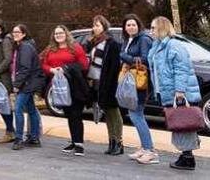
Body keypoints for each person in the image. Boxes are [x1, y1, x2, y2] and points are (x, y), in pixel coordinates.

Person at [147, 16, 202, 171]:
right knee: (180, 124)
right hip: (168, 92)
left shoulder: (173, 45)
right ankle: (186, 155)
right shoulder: (158, 46)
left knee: (184, 124)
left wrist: (179, 92)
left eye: (153, 27)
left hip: (178, 93)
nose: (150, 30)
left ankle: (188, 158)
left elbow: (181, 69)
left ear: (162, 27)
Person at [41, 25, 89, 155]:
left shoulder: (75, 47)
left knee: (76, 114)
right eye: (56, 34)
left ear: (66, 34)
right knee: (68, 113)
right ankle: (74, 142)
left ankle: (79, 144)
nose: (58, 35)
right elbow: (43, 63)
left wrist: (66, 68)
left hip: (74, 85)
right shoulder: (50, 49)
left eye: (61, 33)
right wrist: (51, 70)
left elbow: (84, 64)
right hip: (58, 86)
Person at [82, 15, 124, 155]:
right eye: (94, 25)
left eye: (98, 25)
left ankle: (119, 142)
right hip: (96, 81)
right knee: (106, 111)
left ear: (104, 27)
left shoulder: (111, 43)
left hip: (108, 82)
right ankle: (111, 141)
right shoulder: (93, 42)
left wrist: (111, 83)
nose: (95, 28)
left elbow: (114, 65)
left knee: (114, 112)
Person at [121, 14, 157, 164]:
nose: (131, 27)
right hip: (131, 82)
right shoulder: (128, 40)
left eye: (133, 24)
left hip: (141, 82)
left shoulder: (143, 39)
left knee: (136, 115)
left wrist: (125, 56)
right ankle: (144, 148)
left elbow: (145, 59)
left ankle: (150, 151)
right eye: (128, 25)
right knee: (136, 114)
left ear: (138, 25)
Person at [10, 24, 45, 151]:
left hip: (27, 83)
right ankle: (34, 137)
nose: (15, 34)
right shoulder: (21, 46)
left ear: (24, 34)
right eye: (14, 32)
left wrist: (17, 85)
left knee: (18, 109)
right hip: (29, 82)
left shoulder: (25, 47)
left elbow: (25, 68)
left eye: (18, 32)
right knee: (31, 109)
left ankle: (18, 139)